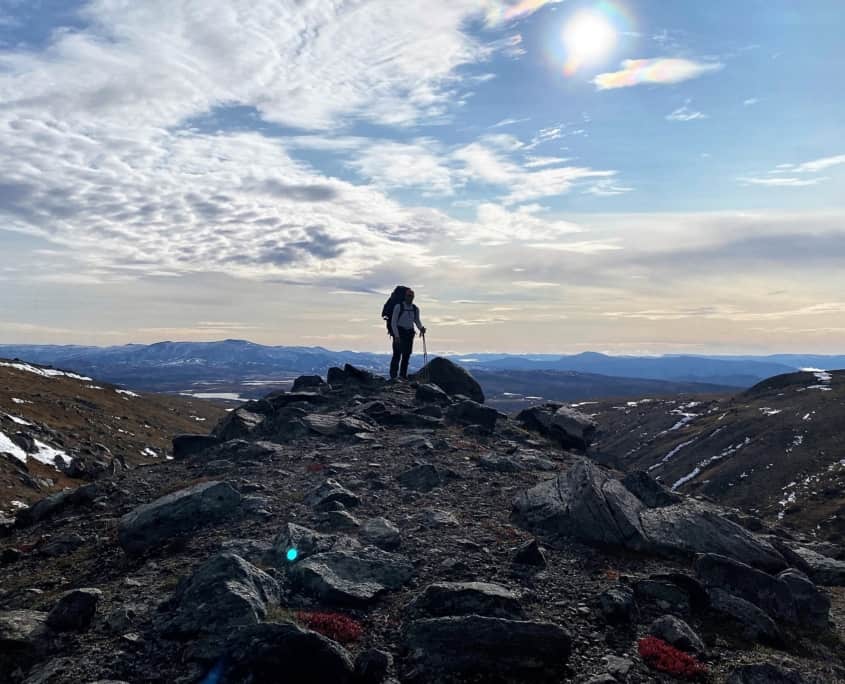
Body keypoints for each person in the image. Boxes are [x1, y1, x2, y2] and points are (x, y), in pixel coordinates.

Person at [390, 288, 425, 380]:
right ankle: (394, 376)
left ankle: (402, 376)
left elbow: (417, 320)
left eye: (412, 296)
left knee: (406, 355)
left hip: (409, 333)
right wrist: (396, 336)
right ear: (405, 296)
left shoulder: (415, 308)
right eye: (409, 296)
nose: (411, 298)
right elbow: (393, 322)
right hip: (400, 332)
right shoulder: (398, 307)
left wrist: (421, 328)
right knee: (397, 355)